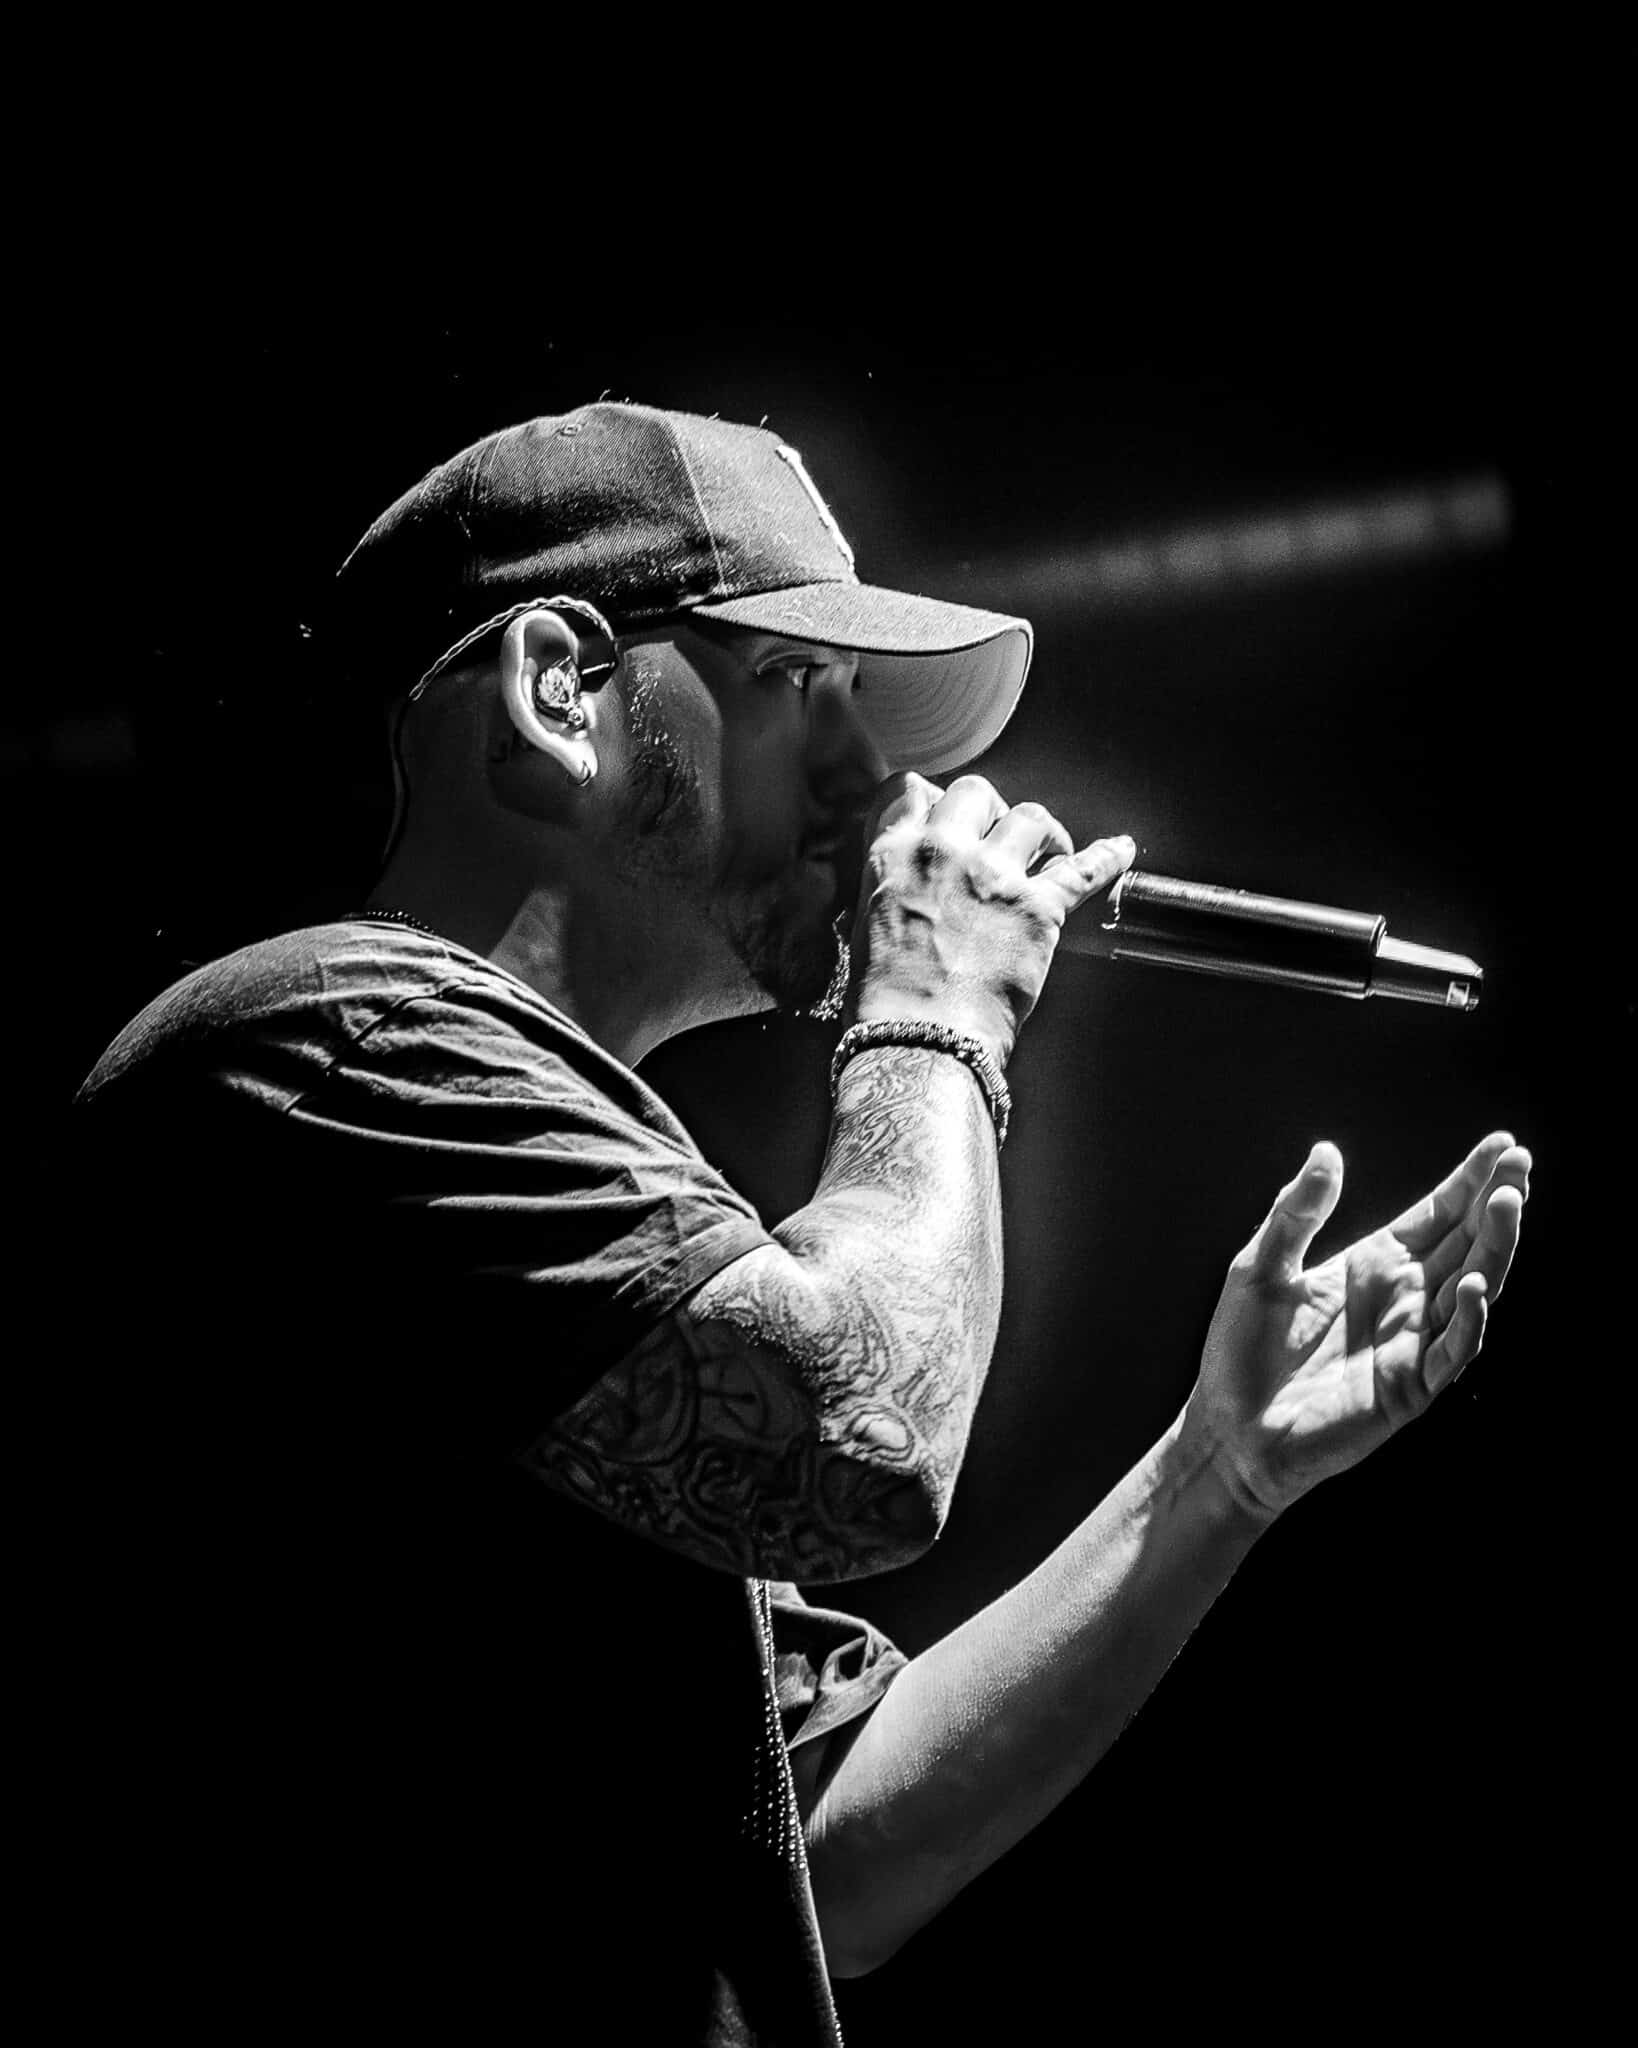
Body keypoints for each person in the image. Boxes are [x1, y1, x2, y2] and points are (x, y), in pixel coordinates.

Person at [73, 402, 1530, 2044]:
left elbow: (819, 1861)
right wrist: (938, 1013)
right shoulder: (330, 1048)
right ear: (559, 693)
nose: (882, 787)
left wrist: (1212, 1476)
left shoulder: (558, 1181)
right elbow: (853, 1447)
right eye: (799, 689)